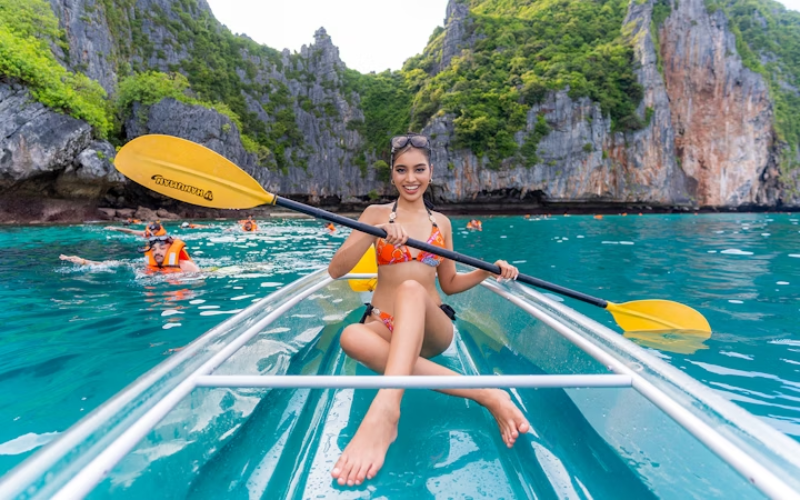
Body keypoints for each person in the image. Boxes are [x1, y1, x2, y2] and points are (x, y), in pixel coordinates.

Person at [327, 133, 529, 487]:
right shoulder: (376, 214)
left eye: (419, 169)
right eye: (402, 170)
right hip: (382, 323)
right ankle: (485, 393)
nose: (410, 178)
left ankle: (386, 408)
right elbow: (336, 269)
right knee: (350, 336)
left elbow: (448, 283)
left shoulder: (442, 224)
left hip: (432, 328)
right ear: (392, 175)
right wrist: (373, 231)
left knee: (411, 288)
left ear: (430, 172)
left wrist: (486, 271)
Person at [60, 235, 200, 273]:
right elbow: (115, 264)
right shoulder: (149, 267)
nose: (157, 251)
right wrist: (85, 261)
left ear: (170, 250)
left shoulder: (186, 266)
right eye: (154, 249)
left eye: (162, 248)